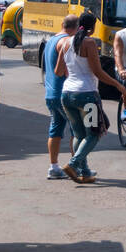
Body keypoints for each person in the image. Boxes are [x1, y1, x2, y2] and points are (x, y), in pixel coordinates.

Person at [56, 11, 126, 184]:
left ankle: (85, 171)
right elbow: (98, 72)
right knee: (95, 133)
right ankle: (74, 164)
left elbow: (58, 71)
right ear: (93, 27)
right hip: (87, 94)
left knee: (80, 135)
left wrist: (74, 71)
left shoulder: (64, 42)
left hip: (67, 95)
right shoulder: (89, 43)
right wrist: (118, 85)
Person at [43, 15, 78, 180]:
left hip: (50, 93)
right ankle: (76, 166)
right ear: (76, 28)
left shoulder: (52, 40)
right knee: (77, 130)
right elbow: (64, 70)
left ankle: (53, 166)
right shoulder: (66, 42)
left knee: (55, 129)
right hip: (63, 92)